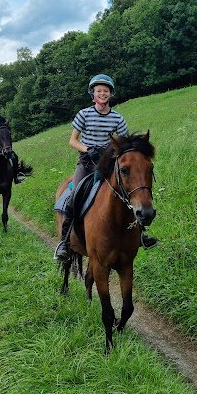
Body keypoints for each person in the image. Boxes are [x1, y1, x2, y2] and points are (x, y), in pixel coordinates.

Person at [54, 74, 158, 261]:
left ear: (110, 94)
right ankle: (64, 242)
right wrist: (88, 150)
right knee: (74, 196)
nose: (102, 93)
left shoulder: (117, 118)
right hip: (87, 163)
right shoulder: (84, 114)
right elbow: (72, 141)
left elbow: (127, 144)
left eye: (106, 91)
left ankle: (141, 233)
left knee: (129, 194)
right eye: (99, 91)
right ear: (92, 94)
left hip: (110, 164)